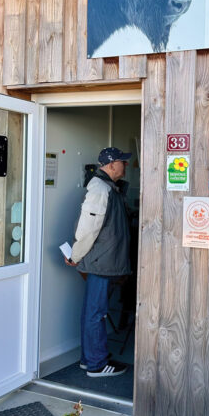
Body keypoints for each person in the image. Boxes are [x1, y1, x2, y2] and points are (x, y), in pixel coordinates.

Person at [64, 147, 133, 378]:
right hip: (100, 262)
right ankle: (96, 364)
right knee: (96, 313)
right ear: (112, 164)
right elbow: (88, 229)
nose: (126, 165)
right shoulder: (100, 189)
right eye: (122, 161)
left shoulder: (107, 188)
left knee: (93, 311)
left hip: (103, 262)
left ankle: (88, 359)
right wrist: (75, 255)